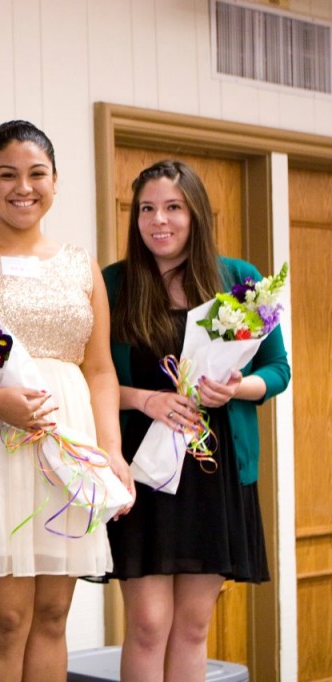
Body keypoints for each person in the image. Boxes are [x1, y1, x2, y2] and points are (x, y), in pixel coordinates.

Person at [0, 120, 134, 682]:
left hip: (67, 447)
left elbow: (98, 368)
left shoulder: (79, 262)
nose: (24, 187)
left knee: (51, 615)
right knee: (4, 621)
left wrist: (110, 452)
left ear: (55, 181)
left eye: (36, 174)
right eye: (7, 174)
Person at [102, 159, 290, 681]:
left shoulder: (239, 279)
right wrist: (144, 399)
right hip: (142, 472)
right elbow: (89, 383)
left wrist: (236, 388)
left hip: (214, 474)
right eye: (146, 209)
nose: (158, 220)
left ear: (196, 213)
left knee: (192, 627)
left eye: (172, 208)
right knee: (146, 623)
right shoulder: (113, 284)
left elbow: (277, 370)